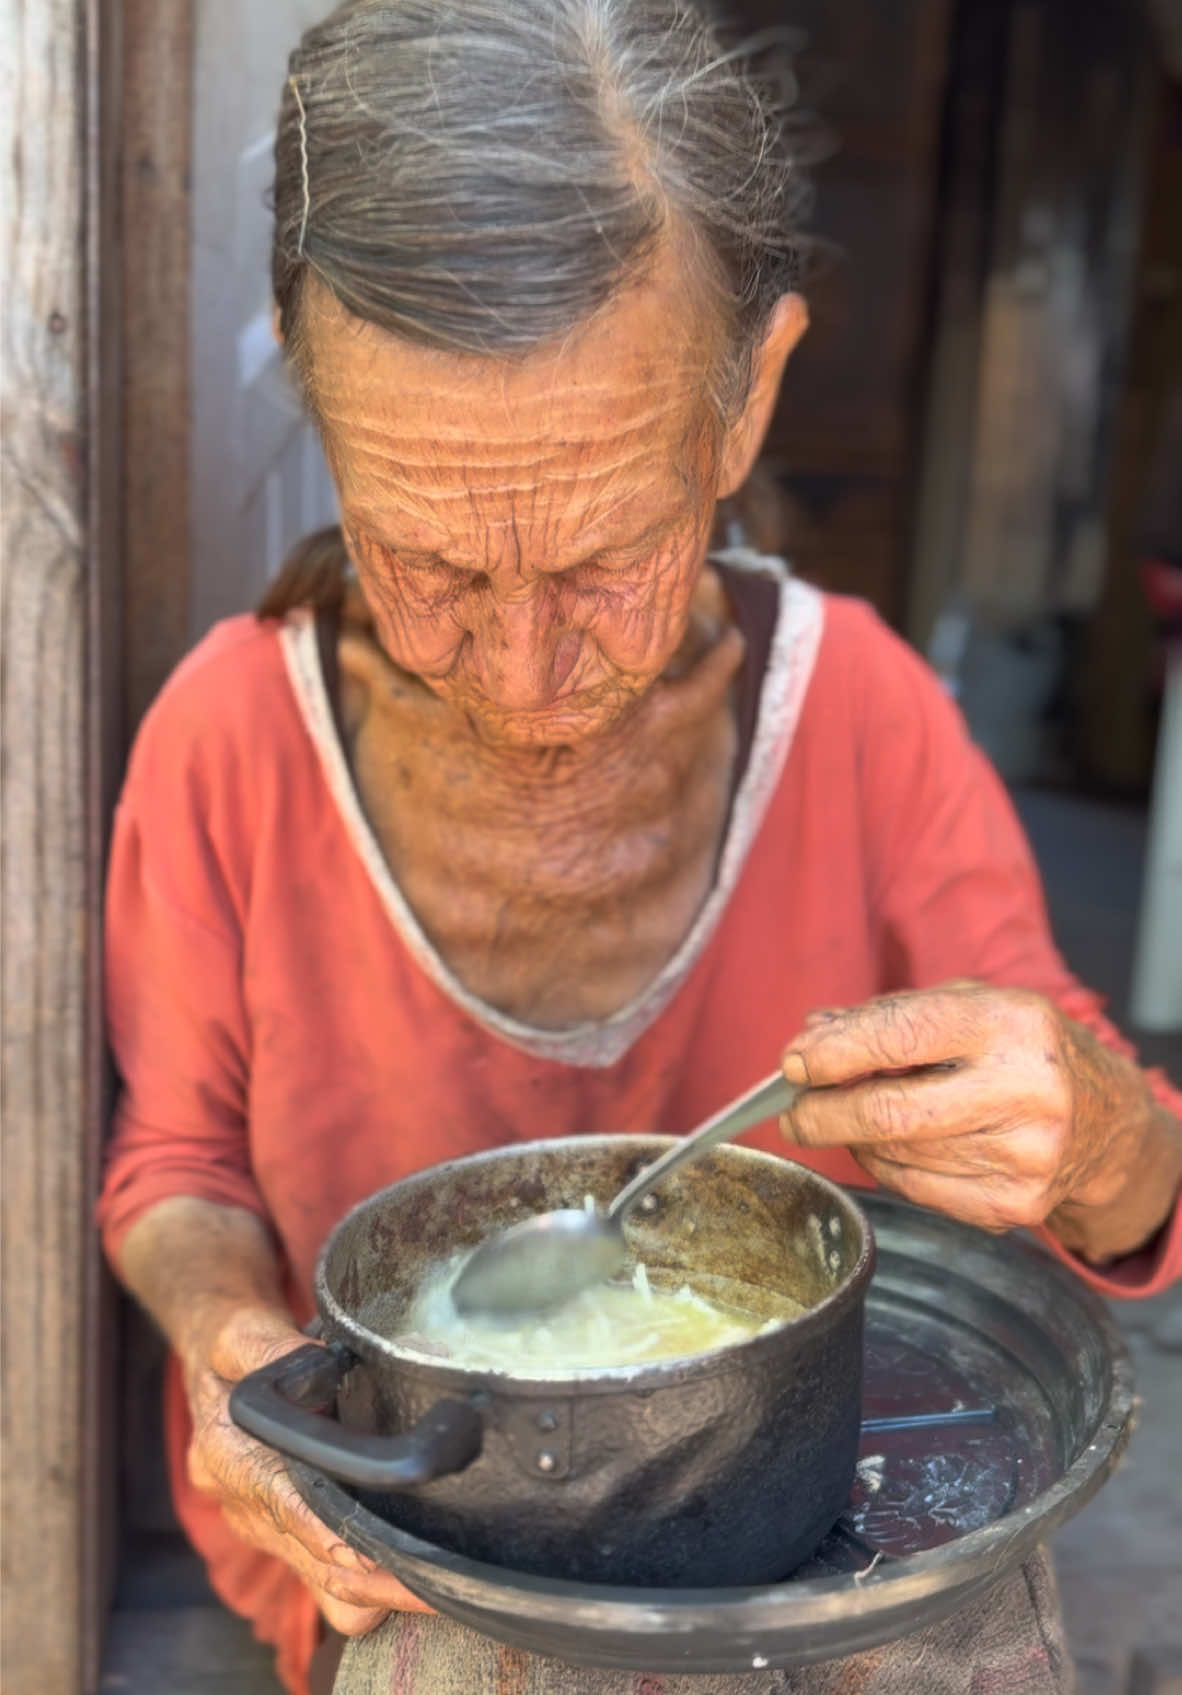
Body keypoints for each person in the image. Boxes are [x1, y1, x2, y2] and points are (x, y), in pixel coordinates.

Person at [97, 3, 1182, 1693]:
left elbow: (1107, 1149)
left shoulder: (866, 723)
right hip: (404, 1554)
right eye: (430, 567)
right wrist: (236, 1361)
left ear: (743, 406)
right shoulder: (230, 739)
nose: (525, 682)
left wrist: (1097, 1138)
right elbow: (176, 1171)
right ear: (320, 411)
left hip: (788, 1559)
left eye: (606, 560)